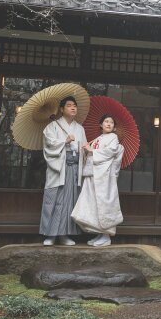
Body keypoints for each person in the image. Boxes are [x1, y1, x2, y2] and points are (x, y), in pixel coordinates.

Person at [71, 114, 124, 247]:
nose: (109, 124)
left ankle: (106, 236)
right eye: (106, 121)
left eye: (111, 122)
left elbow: (111, 151)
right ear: (100, 125)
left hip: (104, 176)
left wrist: (93, 150)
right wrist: (86, 150)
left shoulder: (113, 137)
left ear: (114, 127)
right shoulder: (98, 138)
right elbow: (91, 154)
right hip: (93, 174)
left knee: (103, 203)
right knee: (93, 203)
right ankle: (100, 234)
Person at [40, 95, 87, 246]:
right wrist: (64, 141)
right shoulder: (52, 127)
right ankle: (50, 235)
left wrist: (85, 150)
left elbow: (84, 149)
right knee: (53, 201)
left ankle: (64, 235)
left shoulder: (80, 128)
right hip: (59, 168)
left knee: (69, 202)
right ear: (61, 109)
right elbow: (49, 145)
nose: (73, 108)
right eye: (69, 105)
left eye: (75, 105)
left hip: (74, 169)